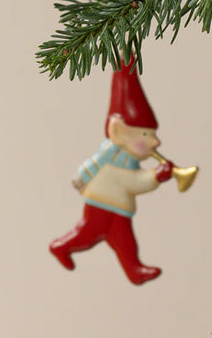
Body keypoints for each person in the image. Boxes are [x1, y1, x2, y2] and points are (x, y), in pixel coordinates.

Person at [48, 58, 174, 284]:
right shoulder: (116, 161)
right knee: (87, 234)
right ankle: (62, 247)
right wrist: (156, 175)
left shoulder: (124, 159)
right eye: (146, 135)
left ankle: (134, 270)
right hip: (101, 203)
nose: (155, 142)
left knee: (125, 242)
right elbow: (132, 182)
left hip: (117, 207)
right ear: (120, 132)